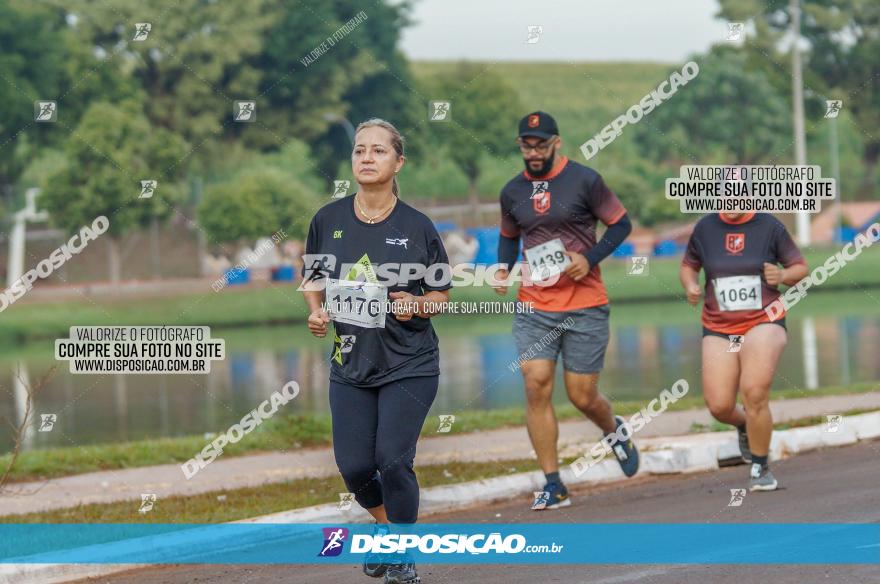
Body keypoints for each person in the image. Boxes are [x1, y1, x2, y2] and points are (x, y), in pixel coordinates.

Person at [302, 118, 450, 583]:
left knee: (392, 458)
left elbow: (441, 296)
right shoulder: (328, 219)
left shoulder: (418, 226)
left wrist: (415, 303)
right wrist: (317, 312)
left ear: (398, 161)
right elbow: (313, 278)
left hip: (409, 362)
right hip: (350, 364)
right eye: (359, 151)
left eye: (378, 151)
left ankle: (403, 554)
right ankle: (387, 534)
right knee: (355, 467)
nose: (366, 158)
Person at [494, 111, 638, 510]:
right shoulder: (511, 192)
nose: (534, 151)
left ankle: (614, 429)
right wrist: (503, 270)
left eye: (541, 144)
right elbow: (508, 238)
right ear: (520, 145)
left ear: (557, 142)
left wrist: (589, 259)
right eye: (527, 144)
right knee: (536, 382)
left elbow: (621, 225)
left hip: (585, 304)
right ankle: (553, 482)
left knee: (582, 395)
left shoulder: (585, 180)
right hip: (535, 303)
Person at [679, 210, 808, 491]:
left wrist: (783, 274)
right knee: (719, 405)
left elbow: (801, 269)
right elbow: (689, 265)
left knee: (754, 391)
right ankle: (744, 425)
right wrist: (690, 285)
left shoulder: (770, 226)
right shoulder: (706, 228)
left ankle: (761, 467)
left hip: (764, 320)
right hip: (719, 326)